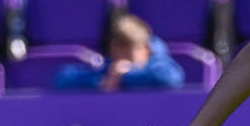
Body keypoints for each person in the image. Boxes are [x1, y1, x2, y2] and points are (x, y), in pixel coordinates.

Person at [54, 12, 184, 91]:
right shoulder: (108, 68)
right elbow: (62, 79)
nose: (121, 55)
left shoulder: (162, 68)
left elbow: (172, 80)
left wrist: (126, 75)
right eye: (118, 48)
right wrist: (102, 82)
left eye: (129, 49)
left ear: (147, 49)